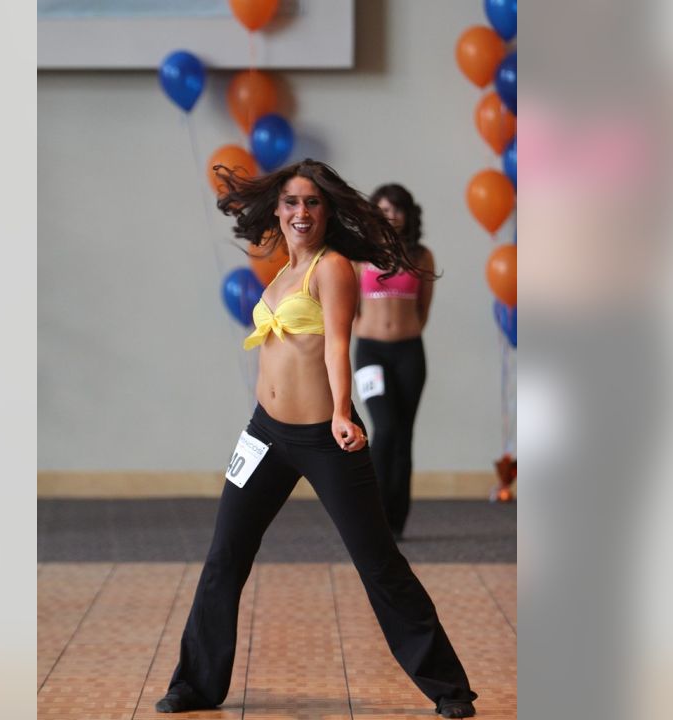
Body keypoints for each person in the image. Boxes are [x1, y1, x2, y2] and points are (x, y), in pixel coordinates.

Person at [155, 159, 478, 718]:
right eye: (291, 203)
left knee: (378, 562)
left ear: (327, 212)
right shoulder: (280, 271)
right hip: (264, 434)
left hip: (324, 436)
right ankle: (194, 684)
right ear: (276, 212)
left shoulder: (332, 269)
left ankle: (449, 687)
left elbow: (335, 345)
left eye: (312, 202)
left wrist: (342, 412)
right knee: (224, 555)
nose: (300, 212)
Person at [354, 183, 435, 540]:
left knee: (404, 437)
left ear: (408, 214)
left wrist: (405, 332)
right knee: (384, 430)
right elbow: (347, 309)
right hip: (370, 353)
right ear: (374, 213)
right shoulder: (359, 255)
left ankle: (397, 522)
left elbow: (424, 309)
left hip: (409, 354)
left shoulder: (421, 256)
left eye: (398, 209)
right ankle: (372, 514)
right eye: (384, 209)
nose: (391, 216)